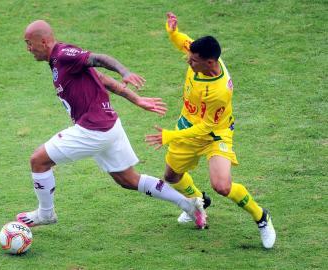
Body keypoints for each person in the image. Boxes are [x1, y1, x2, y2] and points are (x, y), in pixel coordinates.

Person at [16, 20, 206, 229]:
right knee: (129, 180)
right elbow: (102, 78)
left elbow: (99, 59)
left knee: (38, 161)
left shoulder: (63, 55)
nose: (28, 49)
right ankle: (189, 205)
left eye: (29, 43)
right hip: (110, 127)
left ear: (43, 42)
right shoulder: (60, 59)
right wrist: (137, 100)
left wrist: (124, 72)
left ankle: (45, 214)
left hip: (92, 129)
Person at [145, 12, 276, 248]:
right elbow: (183, 42)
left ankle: (261, 216)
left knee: (222, 186)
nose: (188, 61)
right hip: (188, 127)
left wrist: (169, 136)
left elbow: (205, 127)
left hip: (215, 134)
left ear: (210, 63)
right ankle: (198, 201)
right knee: (172, 176)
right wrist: (172, 32)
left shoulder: (219, 92)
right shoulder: (199, 56)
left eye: (193, 60)